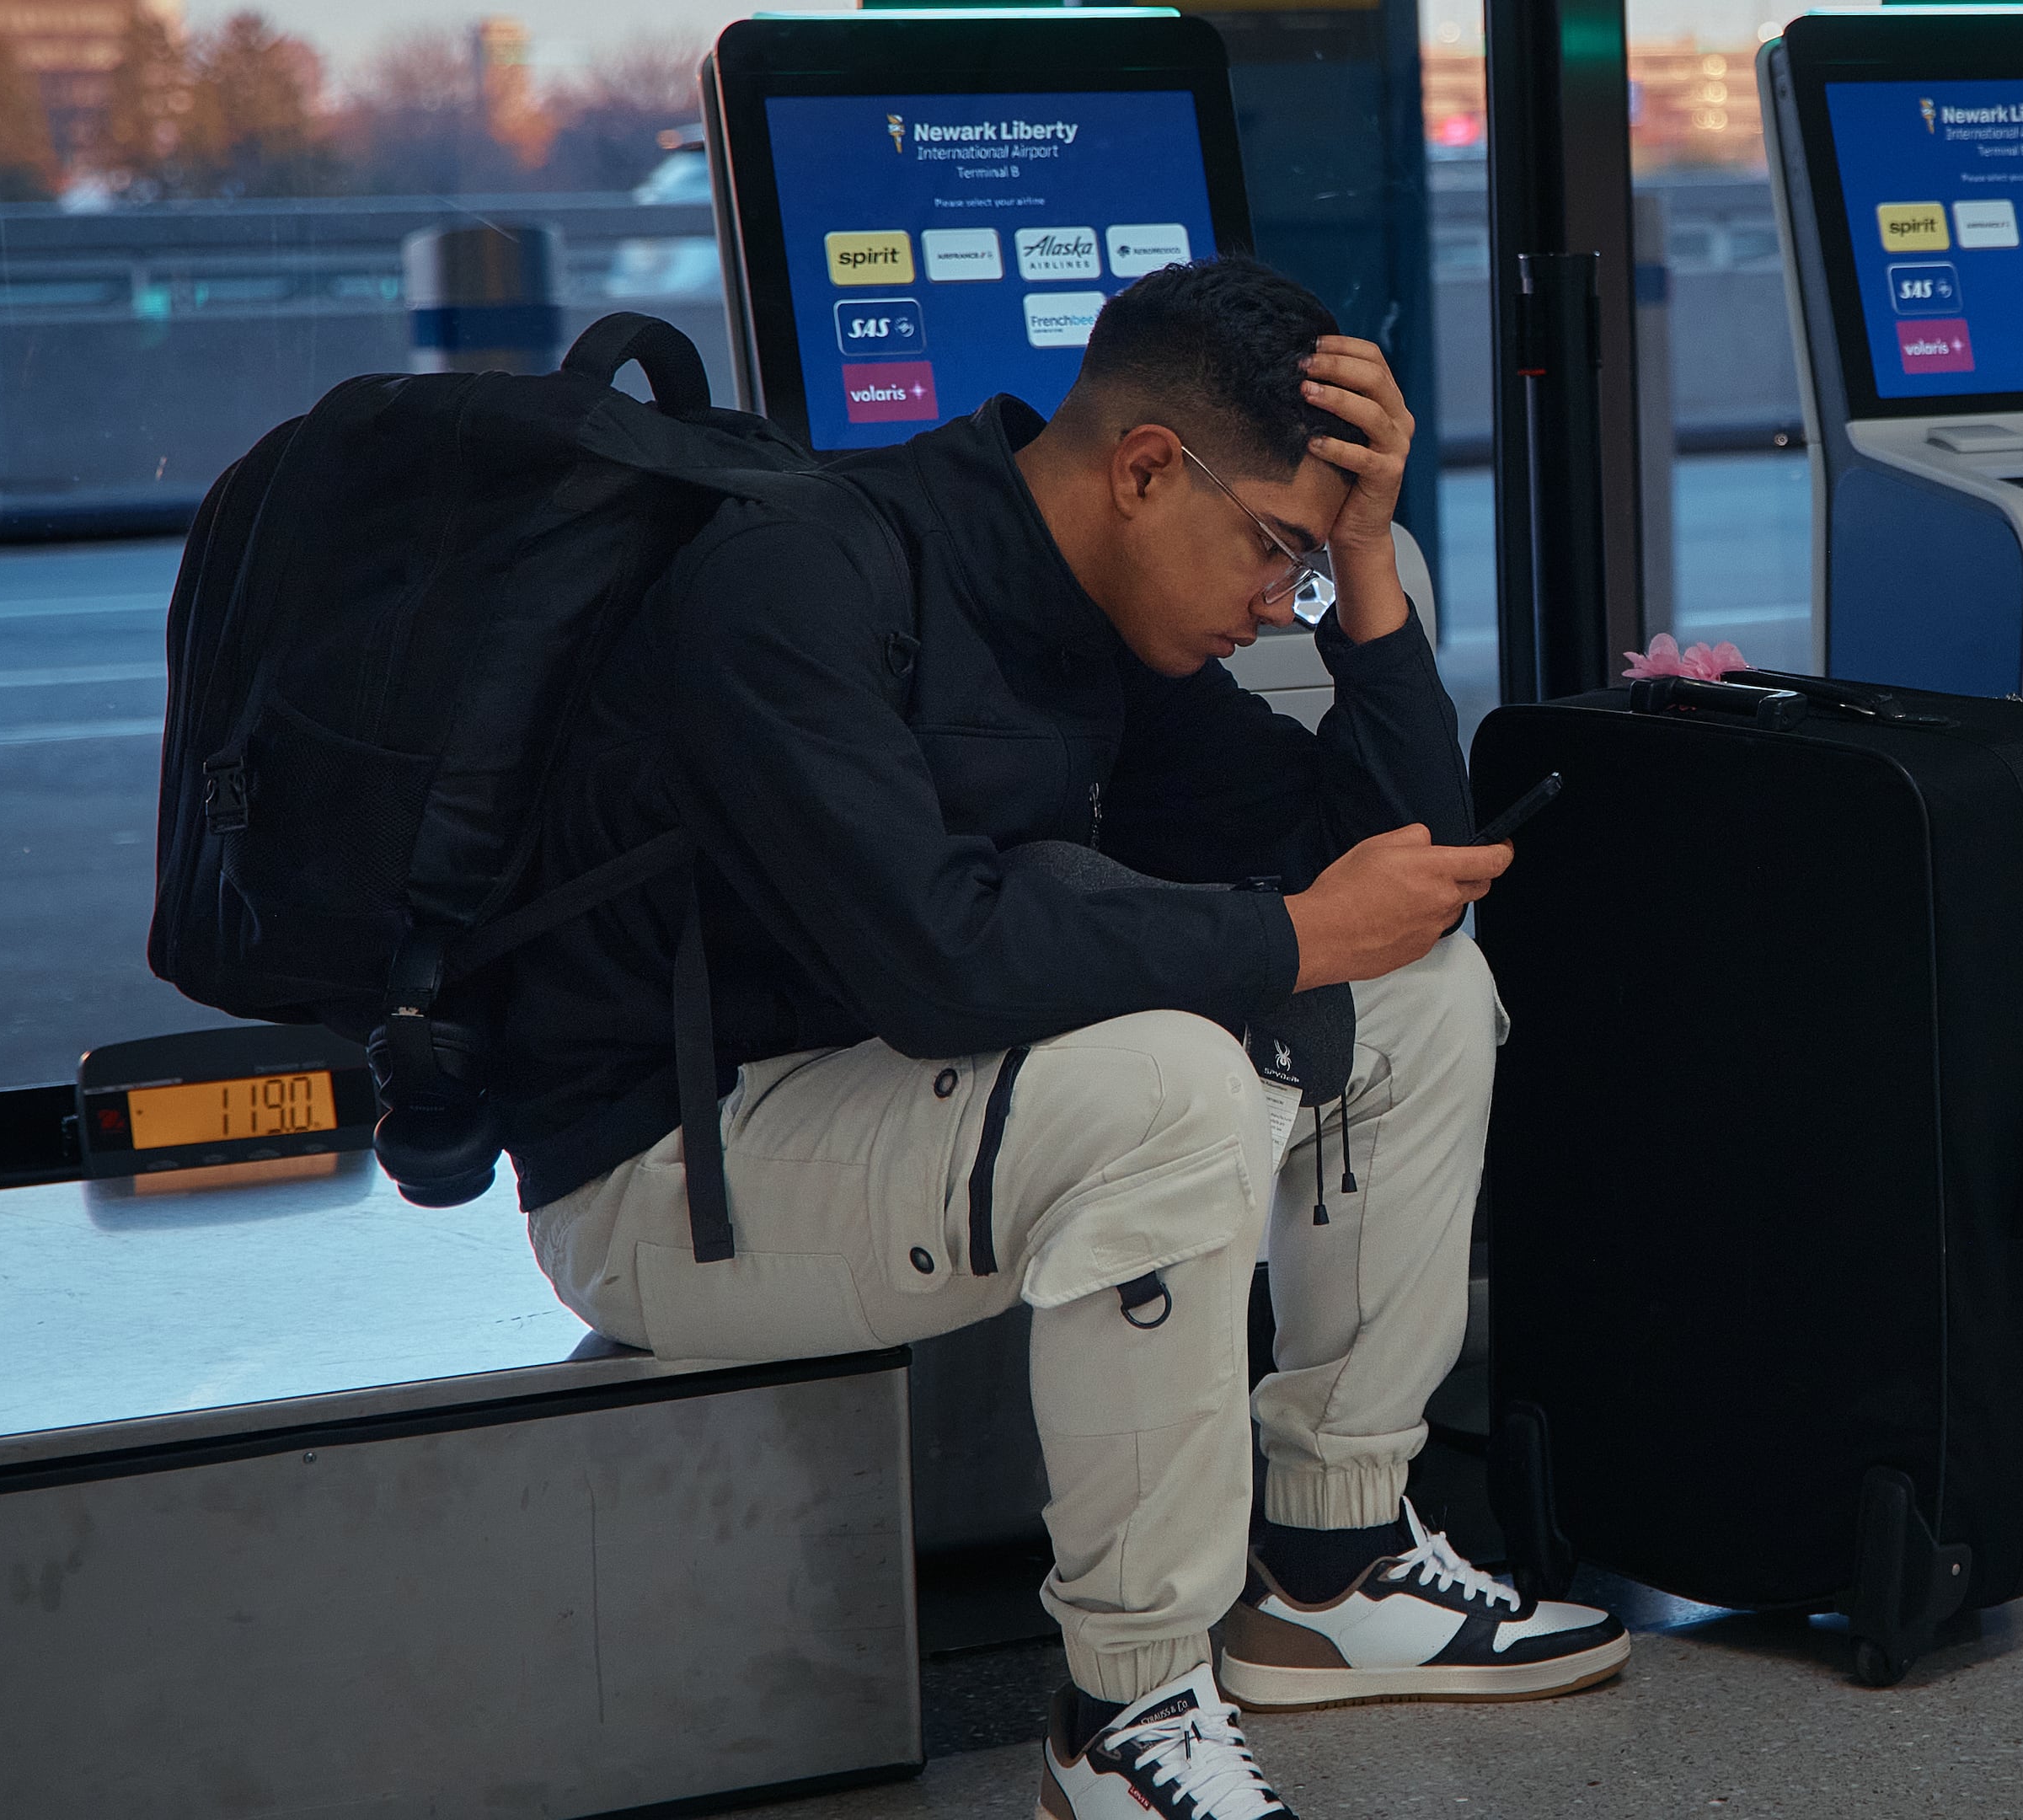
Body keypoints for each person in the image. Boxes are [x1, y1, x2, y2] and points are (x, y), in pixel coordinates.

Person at [490, 255, 1623, 1818]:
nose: (1273, 604)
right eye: (1279, 551)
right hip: (666, 1172)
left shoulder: (1097, 610)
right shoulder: (804, 574)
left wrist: (1368, 569)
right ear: (1147, 469)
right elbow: (939, 960)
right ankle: (1128, 1710)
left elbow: (1395, 878)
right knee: (1168, 1087)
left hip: (882, 1101)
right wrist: (1294, 935)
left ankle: (1332, 1557)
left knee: (1413, 997)